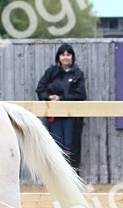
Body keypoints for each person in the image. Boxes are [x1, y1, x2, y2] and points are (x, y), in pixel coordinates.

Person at [36, 43, 86, 171]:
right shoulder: (51, 72)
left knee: (70, 147)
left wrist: (61, 99)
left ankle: (72, 176)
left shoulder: (77, 74)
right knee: (56, 146)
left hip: (71, 117)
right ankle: (57, 175)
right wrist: (48, 97)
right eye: (62, 55)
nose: (65, 57)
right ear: (58, 57)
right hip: (54, 117)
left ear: (72, 57)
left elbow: (81, 95)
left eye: (68, 55)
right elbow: (40, 89)